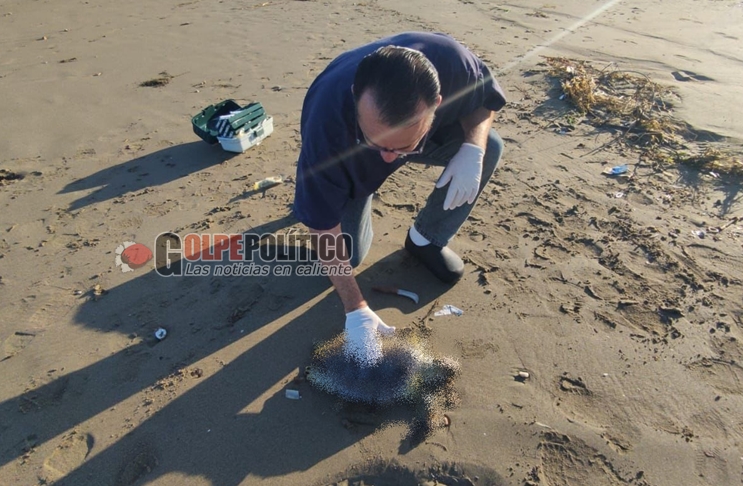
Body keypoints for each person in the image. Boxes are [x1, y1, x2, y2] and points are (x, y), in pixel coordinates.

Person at [293, 32, 506, 366]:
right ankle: (354, 184)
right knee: (346, 256)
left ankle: (426, 239)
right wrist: (357, 310)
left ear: (437, 102)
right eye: (377, 142)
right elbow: (322, 229)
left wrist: (472, 149)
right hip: (345, 154)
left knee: (491, 146)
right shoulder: (327, 131)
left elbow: (482, 103)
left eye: (404, 146)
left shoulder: (453, 63)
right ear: (355, 99)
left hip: (409, 133)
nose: (390, 159)